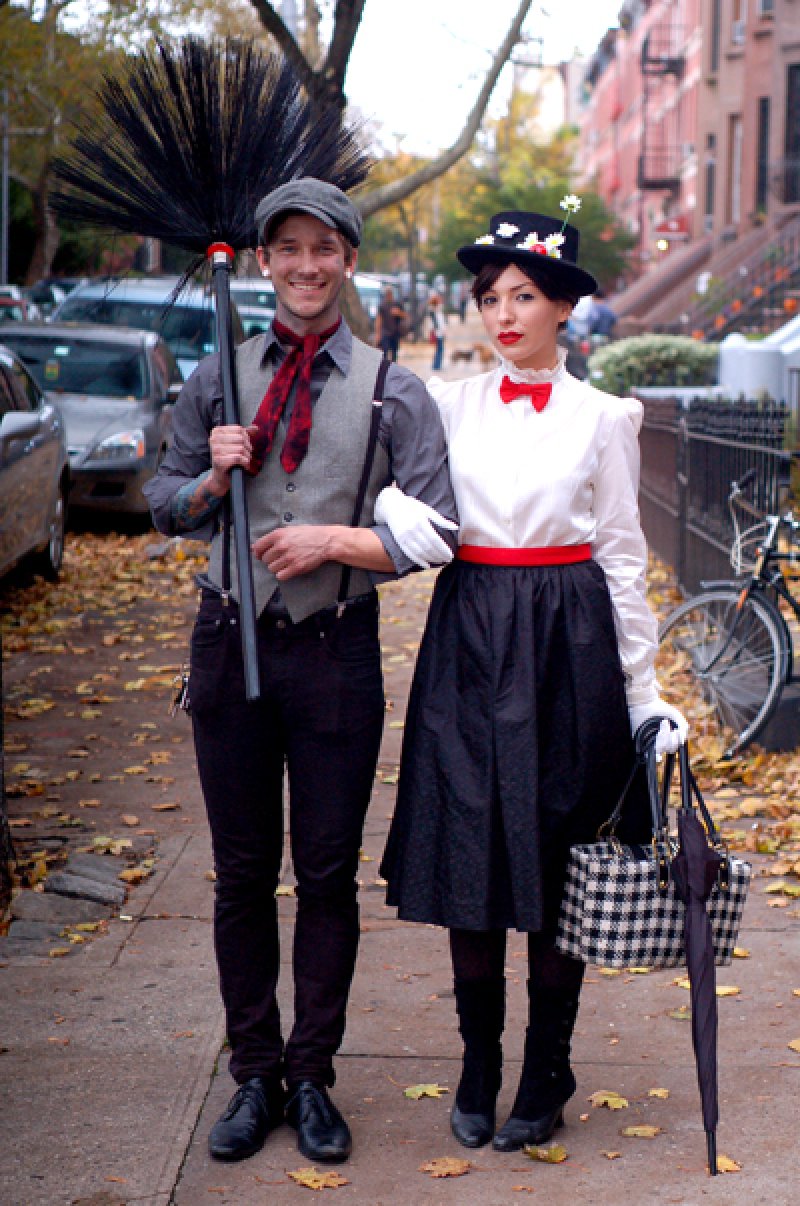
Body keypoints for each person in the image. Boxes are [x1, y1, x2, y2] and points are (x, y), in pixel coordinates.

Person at [144, 178, 458, 1167]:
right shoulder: (218, 377)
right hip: (225, 638)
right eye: (289, 248)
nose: (307, 265)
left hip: (335, 653)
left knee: (324, 876)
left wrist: (336, 537)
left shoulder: (390, 386)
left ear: (348, 260)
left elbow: (436, 532)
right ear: (266, 260)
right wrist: (210, 475)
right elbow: (161, 501)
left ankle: (312, 1073)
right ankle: (252, 1073)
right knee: (241, 875)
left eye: (325, 248)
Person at [376, 206, 688, 1154]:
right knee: (471, 846)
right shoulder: (441, 403)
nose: (502, 314)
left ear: (562, 308)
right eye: (491, 298)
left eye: (524, 297)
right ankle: (478, 1062)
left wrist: (643, 694)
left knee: (561, 857)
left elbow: (625, 559)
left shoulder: (606, 416)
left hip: (571, 644)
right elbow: (394, 501)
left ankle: (547, 1070)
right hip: (471, 635)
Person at [374, 285, 406, 362]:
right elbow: (379, 320)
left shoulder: (397, 304)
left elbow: (405, 316)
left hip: (395, 332)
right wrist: (378, 334)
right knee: (384, 352)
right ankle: (385, 369)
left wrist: (399, 313)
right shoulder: (382, 305)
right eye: (387, 293)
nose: (388, 295)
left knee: (394, 353)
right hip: (385, 332)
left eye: (390, 293)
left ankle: (393, 369)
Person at [427, 293, 446, 372]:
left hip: (438, 332)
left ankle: (436, 365)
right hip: (438, 333)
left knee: (439, 349)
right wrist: (442, 330)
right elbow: (438, 323)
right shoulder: (435, 312)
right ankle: (437, 365)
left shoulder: (434, 311)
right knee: (439, 349)